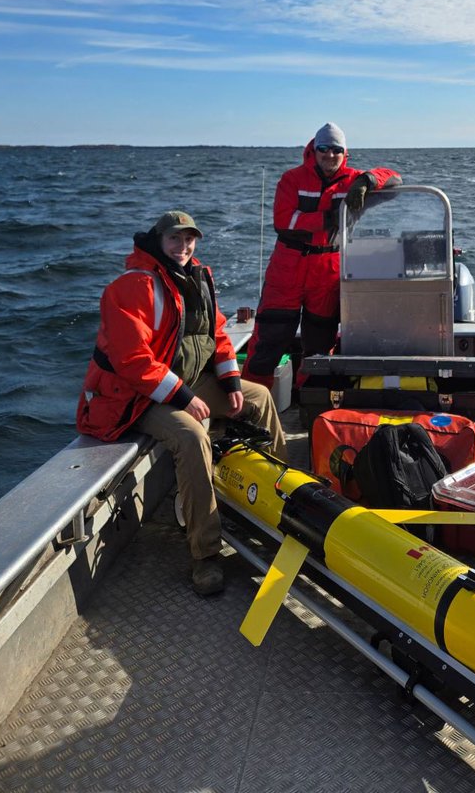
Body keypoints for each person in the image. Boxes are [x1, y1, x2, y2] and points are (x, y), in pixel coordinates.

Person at [77, 210, 288, 597]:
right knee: (191, 437)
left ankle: (278, 507)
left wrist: (230, 380)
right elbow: (132, 361)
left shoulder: (197, 277)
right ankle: (205, 553)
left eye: (189, 239)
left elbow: (218, 333)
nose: (183, 246)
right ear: (158, 240)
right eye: (175, 239)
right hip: (132, 398)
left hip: (179, 384)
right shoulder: (130, 287)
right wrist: (185, 397)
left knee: (259, 398)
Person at [242, 122, 401, 389]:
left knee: (320, 345)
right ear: (313, 150)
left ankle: (311, 403)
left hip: (326, 272)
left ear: (345, 152)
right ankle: (251, 404)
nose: (330, 155)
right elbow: (284, 221)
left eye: (336, 149)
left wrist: (367, 180)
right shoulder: (292, 179)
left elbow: (395, 179)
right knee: (269, 340)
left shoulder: (353, 180)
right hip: (287, 269)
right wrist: (330, 217)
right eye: (324, 148)